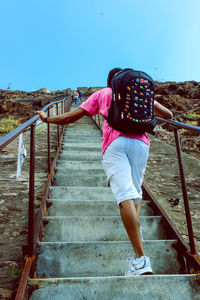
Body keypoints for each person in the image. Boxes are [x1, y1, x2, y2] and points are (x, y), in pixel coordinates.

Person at [36, 68, 173, 275]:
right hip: (142, 145)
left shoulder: (103, 94)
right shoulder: (135, 93)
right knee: (135, 195)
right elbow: (169, 114)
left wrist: (47, 119)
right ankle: (136, 238)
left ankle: (141, 260)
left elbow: (70, 117)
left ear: (110, 81)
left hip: (115, 144)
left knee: (125, 196)